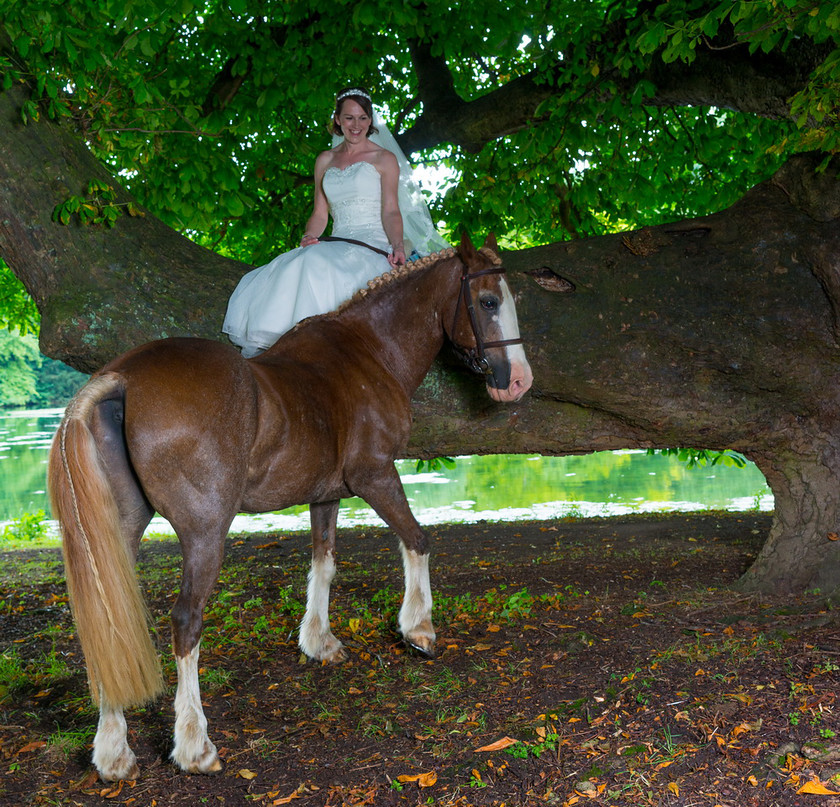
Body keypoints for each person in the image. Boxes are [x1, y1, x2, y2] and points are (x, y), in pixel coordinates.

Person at [223, 87, 448, 357]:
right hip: (337, 239)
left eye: (363, 118)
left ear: (371, 120)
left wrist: (398, 245)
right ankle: (291, 345)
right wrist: (309, 235)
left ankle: (317, 346)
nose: (356, 125)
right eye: (349, 118)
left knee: (317, 265)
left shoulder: (384, 159)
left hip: (372, 243)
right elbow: (320, 212)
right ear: (338, 120)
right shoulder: (324, 160)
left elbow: (390, 210)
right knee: (301, 260)